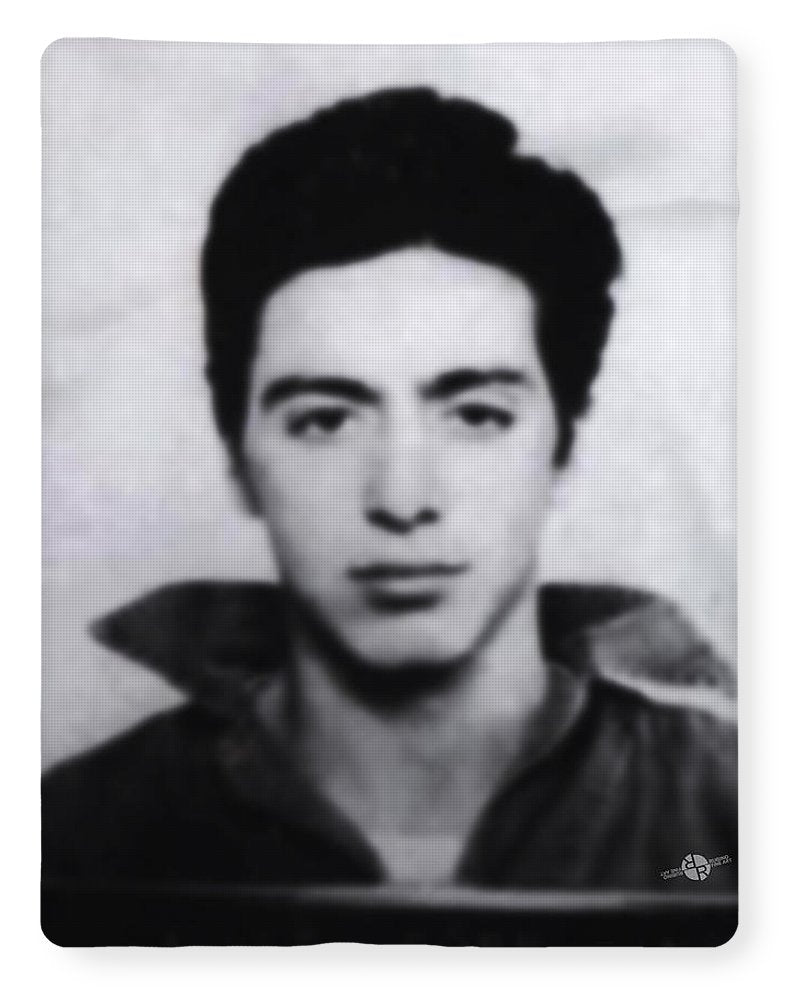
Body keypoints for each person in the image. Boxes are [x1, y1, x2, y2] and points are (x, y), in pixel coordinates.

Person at [42, 88, 736, 940]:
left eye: (476, 415)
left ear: (562, 448)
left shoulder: (726, 829)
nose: (402, 501)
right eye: (325, 421)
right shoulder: (69, 838)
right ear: (238, 459)